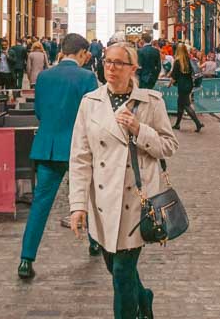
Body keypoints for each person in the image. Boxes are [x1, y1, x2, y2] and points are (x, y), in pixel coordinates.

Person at [69, 41, 178, 319]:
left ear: (133, 68)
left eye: (119, 63)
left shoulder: (151, 102)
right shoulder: (90, 103)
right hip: (103, 201)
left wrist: (140, 129)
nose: (111, 68)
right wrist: (77, 205)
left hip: (135, 201)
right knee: (114, 268)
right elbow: (80, 157)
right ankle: (144, 296)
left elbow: (169, 146)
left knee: (121, 272)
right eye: (107, 61)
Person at [17, 33, 98, 279]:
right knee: (90, 198)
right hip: (78, 150)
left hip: (48, 147)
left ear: (63, 50)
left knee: (40, 206)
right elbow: (94, 115)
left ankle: (26, 259)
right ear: (82, 53)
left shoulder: (44, 77)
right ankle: (94, 242)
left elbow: (39, 111)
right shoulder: (88, 77)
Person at [170, 42, 203, 132]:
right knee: (180, 104)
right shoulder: (189, 60)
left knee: (186, 105)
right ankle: (177, 124)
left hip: (182, 85)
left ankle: (198, 123)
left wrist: (169, 84)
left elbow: (174, 76)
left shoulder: (177, 61)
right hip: (189, 84)